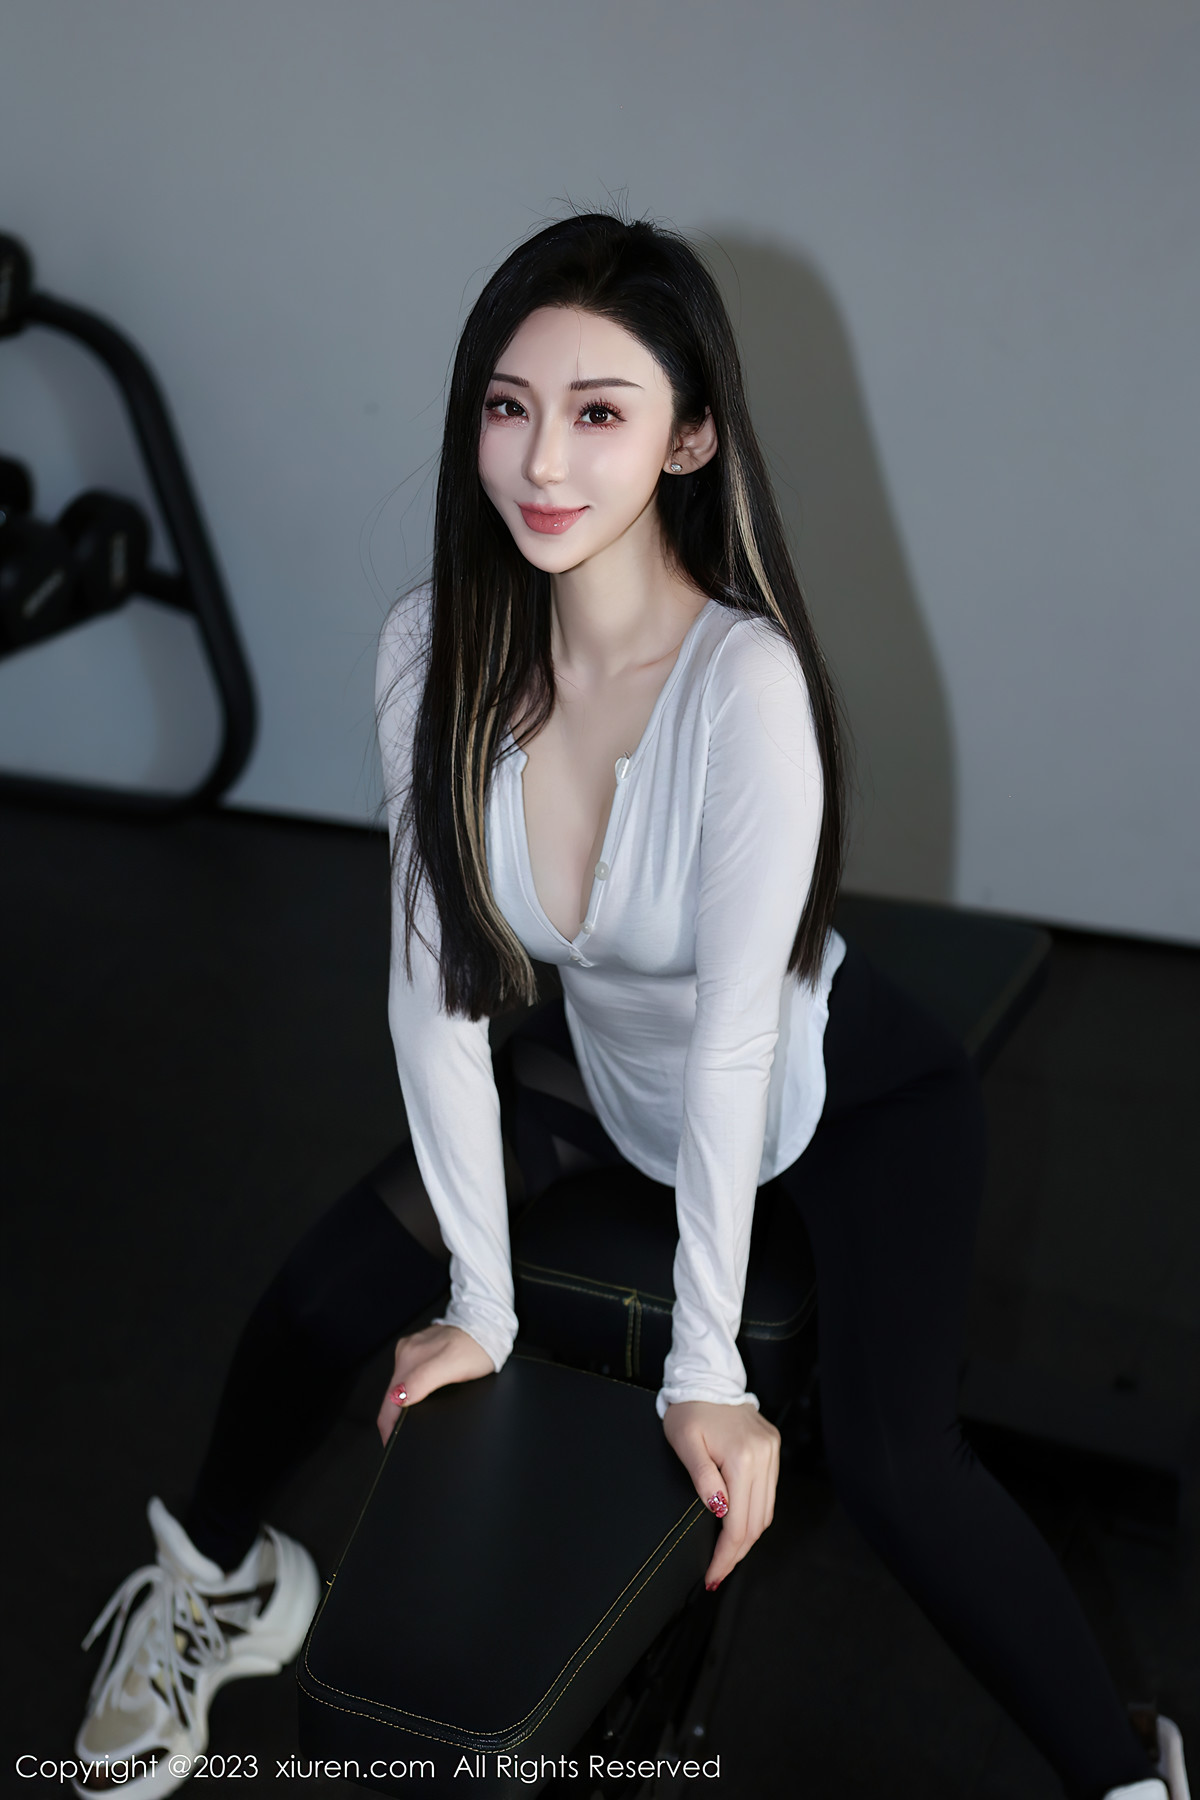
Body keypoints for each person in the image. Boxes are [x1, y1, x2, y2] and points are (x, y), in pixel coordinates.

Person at [74, 213, 1186, 1800]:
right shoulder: (432, 651)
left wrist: (705, 1375)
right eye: (509, 404)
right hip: (602, 1084)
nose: (542, 458)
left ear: (690, 437)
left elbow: (737, 1043)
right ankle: (216, 1580)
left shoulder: (744, 687)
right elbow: (433, 993)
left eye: (600, 411)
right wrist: (480, 1301)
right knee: (321, 1299)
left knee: (896, 1473)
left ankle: (1134, 1775)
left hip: (840, 1098)